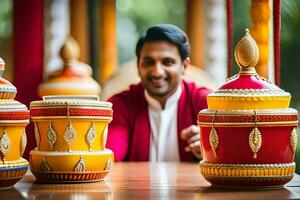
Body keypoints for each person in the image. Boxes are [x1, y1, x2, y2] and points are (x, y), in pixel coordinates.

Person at [106, 24, 212, 162]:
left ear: (184, 66)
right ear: (138, 66)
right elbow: (109, 157)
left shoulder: (207, 103)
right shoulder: (119, 105)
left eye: (168, 62)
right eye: (149, 62)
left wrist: (211, 150)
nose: (157, 72)